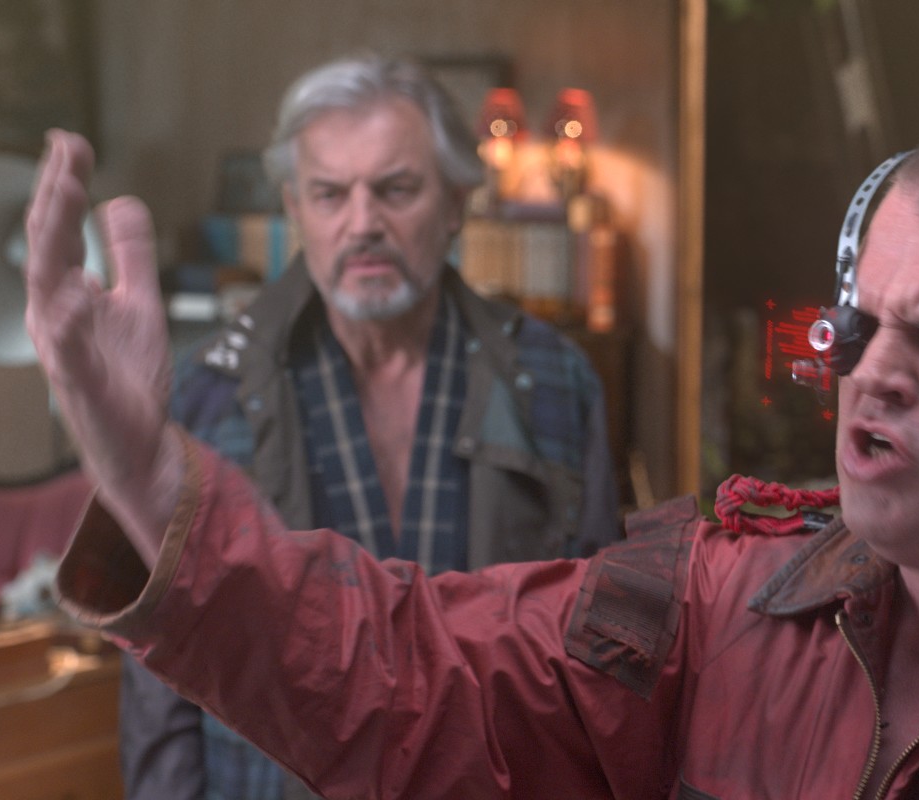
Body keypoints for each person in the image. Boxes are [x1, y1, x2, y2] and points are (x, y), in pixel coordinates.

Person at [27, 124, 919, 798]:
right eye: (861, 330)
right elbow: (406, 678)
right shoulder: (728, 590)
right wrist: (149, 472)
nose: (873, 376)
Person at [116, 55, 622, 800]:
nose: (363, 225)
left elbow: (601, 653)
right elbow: (160, 682)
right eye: (330, 194)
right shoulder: (207, 394)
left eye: (396, 190)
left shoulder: (552, 379)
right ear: (296, 209)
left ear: (455, 203)